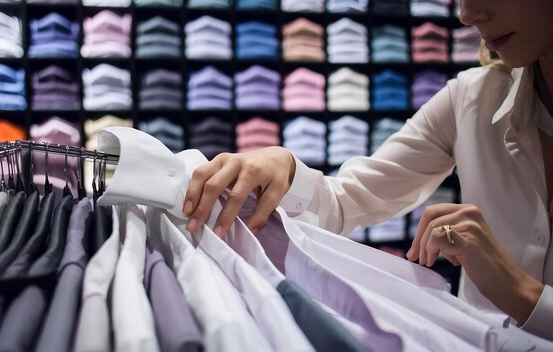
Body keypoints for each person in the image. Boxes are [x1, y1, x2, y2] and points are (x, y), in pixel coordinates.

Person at [182, 0, 553, 341]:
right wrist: (286, 167)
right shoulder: (471, 99)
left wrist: (521, 294)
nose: (466, 15)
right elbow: (349, 201)